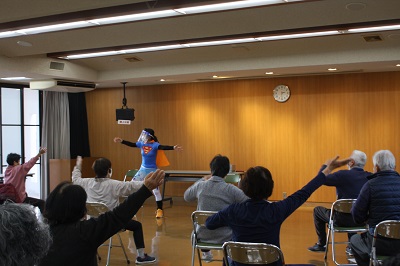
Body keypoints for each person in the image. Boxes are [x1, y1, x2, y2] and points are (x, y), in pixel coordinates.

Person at [205, 156, 351, 266]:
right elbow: (305, 192)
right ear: (270, 187)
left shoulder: (232, 211)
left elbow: (209, 224)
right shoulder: (276, 210)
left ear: (243, 186)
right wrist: (327, 170)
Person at [39, 169, 164, 266]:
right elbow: (118, 215)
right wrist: (145, 189)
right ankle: (141, 256)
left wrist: (77, 166)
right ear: (81, 210)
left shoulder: (37, 234)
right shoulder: (86, 232)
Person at [72, 156, 156, 264]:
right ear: (109, 170)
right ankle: (141, 257)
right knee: (137, 226)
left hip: (92, 225)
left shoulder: (86, 183)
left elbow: (75, 178)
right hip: (113, 224)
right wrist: (147, 182)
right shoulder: (114, 185)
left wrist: (78, 165)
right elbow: (132, 186)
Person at [184, 154, 248, 262]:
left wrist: (202, 180)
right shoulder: (230, 189)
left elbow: (187, 196)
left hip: (202, 235)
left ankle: (206, 253)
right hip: (226, 237)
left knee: (204, 222)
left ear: (211, 169)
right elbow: (247, 201)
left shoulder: (201, 186)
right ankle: (229, 259)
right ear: (227, 172)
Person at [308, 150, 370, 254]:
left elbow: (321, 179)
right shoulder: (370, 177)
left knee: (317, 210)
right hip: (361, 220)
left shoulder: (342, 175)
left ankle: (321, 244)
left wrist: (326, 166)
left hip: (341, 220)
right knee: (354, 210)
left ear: (351, 162)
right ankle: (352, 246)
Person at [114, 128, 182, 218]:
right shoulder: (142, 144)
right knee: (131, 185)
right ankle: (128, 208)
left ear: (150, 137)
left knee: (156, 191)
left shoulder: (155, 145)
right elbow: (132, 144)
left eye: (145, 135)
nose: (143, 137)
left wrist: (173, 147)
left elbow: (163, 147)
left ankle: (159, 210)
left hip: (152, 171)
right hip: (142, 170)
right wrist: (122, 141)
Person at [350, 150, 400, 266]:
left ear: (376, 168)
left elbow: (356, 216)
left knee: (355, 240)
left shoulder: (370, 185)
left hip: (379, 243)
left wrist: (367, 219)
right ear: (395, 167)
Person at [4, 147, 47, 212]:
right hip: (19, 199)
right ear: (15, 162)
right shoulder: (18, 169)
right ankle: (45, 220)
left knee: (26, 195)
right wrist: (39, 154)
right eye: (18, 161)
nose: (19, 163)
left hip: (9, 199)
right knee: (41, 203)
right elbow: (30, 163)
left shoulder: (6, 171)